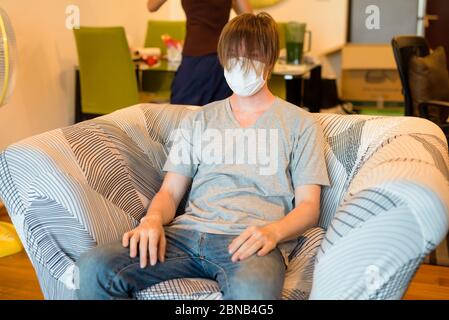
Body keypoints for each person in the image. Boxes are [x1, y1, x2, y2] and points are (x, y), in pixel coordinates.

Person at [76, 12, 330, 300]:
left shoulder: (301, 123)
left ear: (270, 60)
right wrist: (153, 220)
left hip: (250, 244)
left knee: (253, 293)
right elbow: (170, 193)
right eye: (233, 55)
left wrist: (272, 233)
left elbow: (309, 207)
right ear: (221, 59)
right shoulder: (199, 119)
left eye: (254, 55)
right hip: (184, 236)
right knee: (93, 266)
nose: (242, 64)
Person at [147, 0, 253, 106]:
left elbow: (151, 6)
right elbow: (249, 17)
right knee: (219, 115)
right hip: (223, 59)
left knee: (182, 114)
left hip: (195, 58)